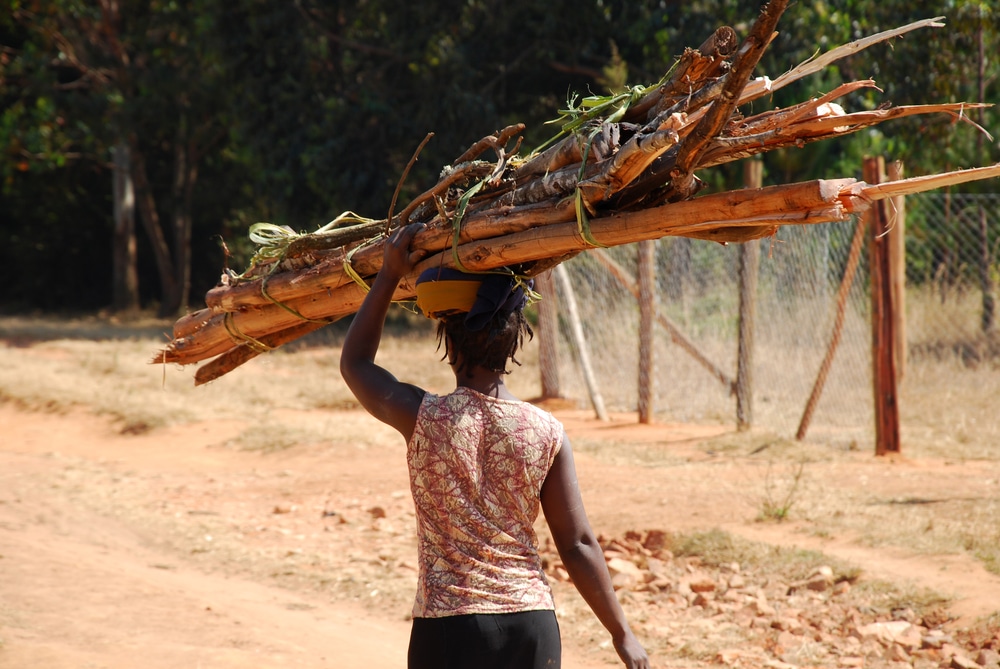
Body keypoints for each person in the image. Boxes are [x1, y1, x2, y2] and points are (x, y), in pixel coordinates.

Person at [339, 223, 650, 669]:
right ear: (513, 341)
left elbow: (355, 363)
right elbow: (578, 544)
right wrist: (622, 634)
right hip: (531, 625)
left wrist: (388, 274)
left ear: (449, 340)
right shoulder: (546, 432)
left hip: (449, 626)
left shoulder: (423, 416)